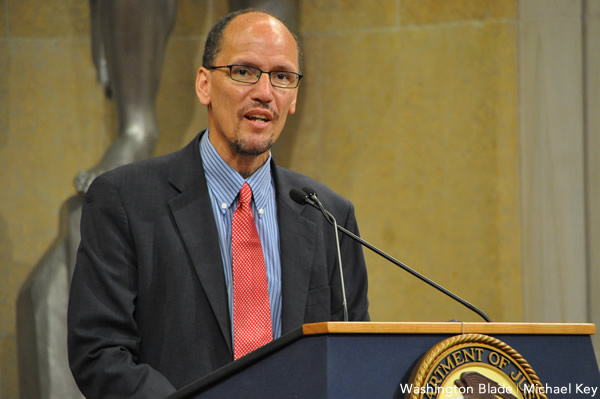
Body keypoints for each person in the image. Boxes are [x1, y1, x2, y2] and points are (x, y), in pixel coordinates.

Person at [67, 9, 369, 399]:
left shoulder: (329, 215)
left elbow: (352, 354)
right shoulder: (125, 200)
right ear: (204, 84)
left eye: (282, 77)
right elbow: (99, 350)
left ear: (293, 98)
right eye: (244, 71)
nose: (264, 92)